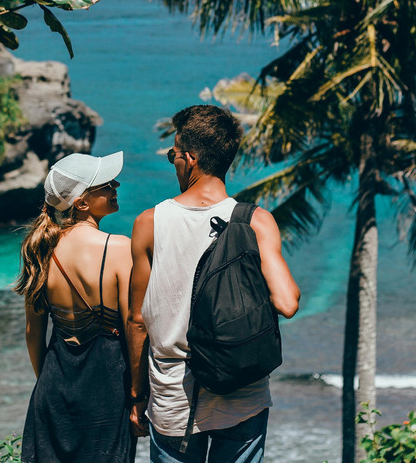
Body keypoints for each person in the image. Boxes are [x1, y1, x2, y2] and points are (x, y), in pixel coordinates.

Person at [127, 105, 301, 463]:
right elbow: (287, 301)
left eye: (173, 155)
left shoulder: (150, 222)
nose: (172, 161)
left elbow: (137, 320)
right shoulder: (256, 220)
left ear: (189, 159)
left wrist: (136, 395)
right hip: (242, 389)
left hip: (175, 394)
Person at [15, 150, 135, 463]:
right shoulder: (120, 248)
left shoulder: (40, 250)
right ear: (81, 203)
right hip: (107, 391)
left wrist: (50, 384)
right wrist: (139, 392)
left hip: (53, 387)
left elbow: (33, 334)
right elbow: (134, 326)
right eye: (106, 185)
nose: (116, 186)